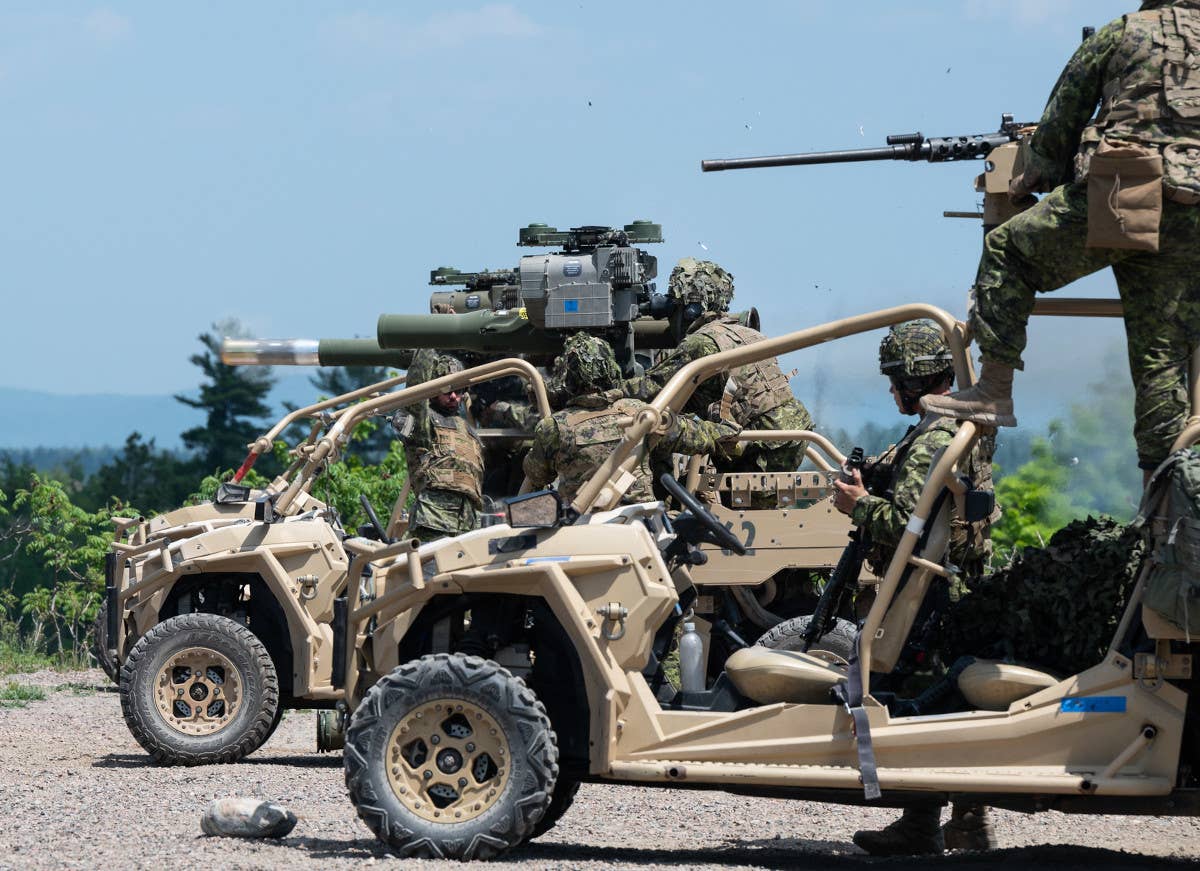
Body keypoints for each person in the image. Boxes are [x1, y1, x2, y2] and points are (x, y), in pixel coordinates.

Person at [923, 0, 1200, 485]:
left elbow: (1056, 133)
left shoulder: (1123, 34)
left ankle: (994, 389)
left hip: (1128, 197)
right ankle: (1167, 502)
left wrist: (1027, 180)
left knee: (1008, 250)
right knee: (1162, 355)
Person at [831, 321, 998, 856]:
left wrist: (858, 504)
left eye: (893, 380)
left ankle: (924, 825)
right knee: (945, 701)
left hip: (929, 591)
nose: (890, 391)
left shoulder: (935, 437)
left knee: (919, 705)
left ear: (911, 379)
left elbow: (907, 520)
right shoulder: (956, 422)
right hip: (953, 581)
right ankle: (959, 821)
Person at [624, 258, 814, 474]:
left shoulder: (701, 343)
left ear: (691, 309)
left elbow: (650, 390)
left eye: (674, 303)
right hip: (791, 433)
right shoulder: (749, 333)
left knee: (663, 428)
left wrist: (607, 392)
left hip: (761, 445)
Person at [523, 333, 741, 506]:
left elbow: (536, 474)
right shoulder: (641, 414)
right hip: (639, 524)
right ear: (611, 370)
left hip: (582, 528)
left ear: (566, 377)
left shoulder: (553, 427)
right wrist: (725, 430)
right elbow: (696, 436)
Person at [392, 351, 484, 542]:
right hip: (434, 519)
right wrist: (429, 342)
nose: (453, 396)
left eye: (458, 391)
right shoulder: (422, 422)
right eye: (446, 389)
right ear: (433, 389)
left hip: (468, 521)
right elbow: (416, 387)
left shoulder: (467, 429)